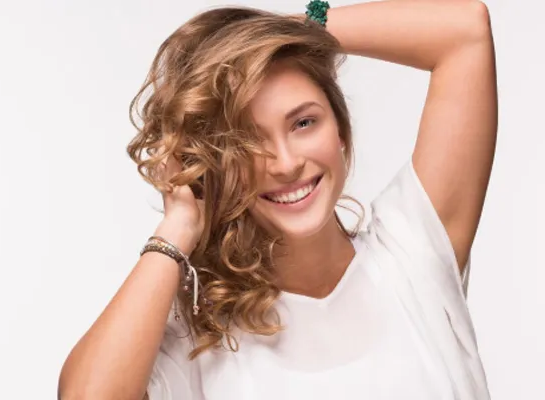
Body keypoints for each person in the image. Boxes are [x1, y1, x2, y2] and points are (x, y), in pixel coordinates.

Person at [58, 1, 497, 399]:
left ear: (340, 130)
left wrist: (270, 37)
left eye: (304, 123)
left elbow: (465, 31)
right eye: (247, 142)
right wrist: (177, 227)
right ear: (214, 163)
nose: (285, 164)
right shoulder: (200, 340)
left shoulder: (412, 254)